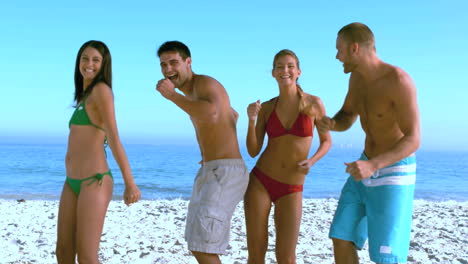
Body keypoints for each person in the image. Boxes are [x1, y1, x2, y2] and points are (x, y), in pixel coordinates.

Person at [317, 23, 421, 264]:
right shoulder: (357, 78)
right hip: (365, 166)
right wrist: (331, 123)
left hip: (394, 171)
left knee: (386, 258)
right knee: (341, 235)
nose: (337, 56)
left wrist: (374, 165)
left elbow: (414, 138)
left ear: (354, 48)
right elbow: (347, 115)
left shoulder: (399, 81)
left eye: (339, 50)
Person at [155, 41, 249, 264]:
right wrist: (209, 148)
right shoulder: (193, 91)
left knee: (204, 247)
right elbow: (231, 115)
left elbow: (213, 113)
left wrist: (173, 97)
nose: (168, 70)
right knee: (197, 242)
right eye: (163, 64)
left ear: (188, 62)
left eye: (174, 63)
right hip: (212, 168)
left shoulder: (205, 83)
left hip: (225, 171)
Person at [56, 40, 141, 264]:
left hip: (94, 181)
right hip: (71, 181)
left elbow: (113, 137)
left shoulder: (102, 91)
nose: (89, 64)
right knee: (63, 251)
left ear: (104, 65)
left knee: (86, 257)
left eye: (95, 60)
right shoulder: (83, 96)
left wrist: (130, 183)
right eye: (85, 58)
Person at [245, 49, 332, 264]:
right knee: (256, 255)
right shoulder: (266, 108)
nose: (285, 70)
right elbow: (253, 150)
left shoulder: (314, 104)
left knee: (286, 256)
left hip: (292, 187)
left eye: (290, 66)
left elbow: (327, 141)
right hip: (260, 181)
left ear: (299, 72)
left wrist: (312, 161)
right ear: (273, 73)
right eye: (280, 66)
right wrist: (251, 120)